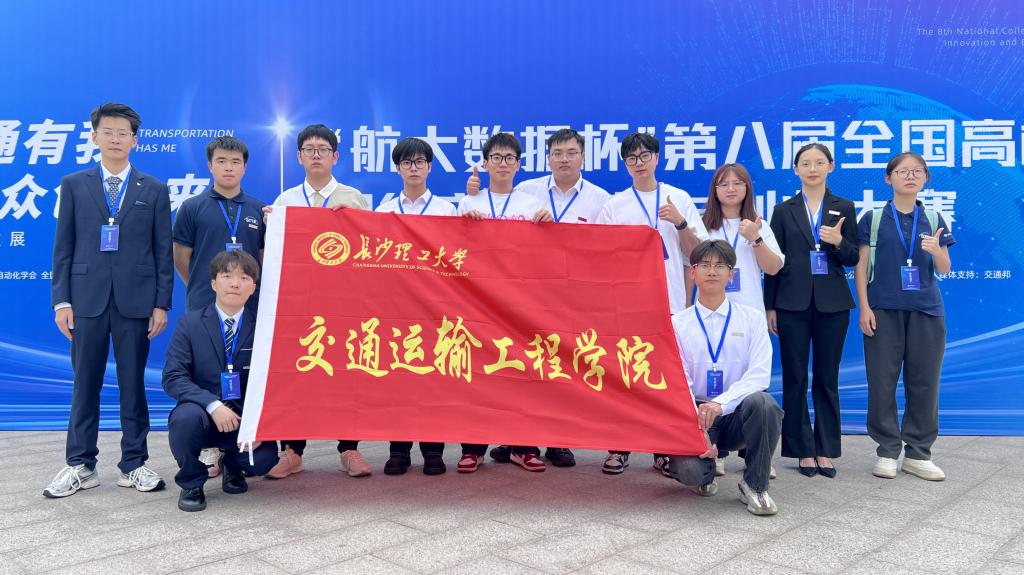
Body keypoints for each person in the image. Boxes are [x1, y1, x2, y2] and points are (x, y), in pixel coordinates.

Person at [46, 103, 172, 498]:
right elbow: (63, 248)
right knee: (85, 384)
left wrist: (161, 304)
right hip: (86, 300)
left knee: (133, 384)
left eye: (123, 133)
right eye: (108, 131)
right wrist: (61, 301)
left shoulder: (154, 189)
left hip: (136, 302)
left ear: (135, 140)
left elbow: (162, 252)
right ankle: (80, 464)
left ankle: (134, 464)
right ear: (95, 136)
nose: (115, 139)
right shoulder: (74, 184)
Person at [465, 128, 610, 468]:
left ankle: (543, 443)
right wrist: (469, 203)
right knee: (486, 372)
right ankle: (485, 445)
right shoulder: (502, 196)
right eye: (497, 158)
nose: (564, 159)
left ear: (583, 156)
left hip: (544, 301)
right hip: (484, 301)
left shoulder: (584, 199)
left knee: (544, 370)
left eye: (570, 152)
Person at [261, 124, 371, 480]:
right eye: (309, 149)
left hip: (345, 302)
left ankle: (349, 449)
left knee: (347, 375)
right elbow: (274, 254)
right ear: (299, 157)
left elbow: (369, 249)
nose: (316, 155)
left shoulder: (354, 198)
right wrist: (272, 224)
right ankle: (293, 451)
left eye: (323, 149)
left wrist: (355, 219)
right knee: (296, 375)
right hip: (299, 304)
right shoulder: (285, 201)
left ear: (335, 156)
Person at [595, 131, 708, 476]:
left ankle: (663, 449)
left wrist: (680, 222)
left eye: (645, 156)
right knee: (623, 374)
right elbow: (600, 256)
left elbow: (699, 254)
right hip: (627, 305)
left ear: (657, 158)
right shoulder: (614, 206)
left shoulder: (679, 198)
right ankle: (620, 447)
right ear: (625, 164)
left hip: (671, 301)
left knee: (665, 376)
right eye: (632, 158)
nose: (639, 163)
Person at [457, 132, 552, 473]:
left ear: (518, 165)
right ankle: (473, 448)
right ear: (485, 163)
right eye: (496, 157)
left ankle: (523, 447)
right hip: (477, 304)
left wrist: (548, 226)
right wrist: (464, 225)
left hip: (520, 305)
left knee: (522, 373)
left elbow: (546, 254)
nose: (502, 164)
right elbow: (453, 249)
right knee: (478, 376)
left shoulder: (531, 205)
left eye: (509, 158)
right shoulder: (469, 203)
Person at [855, 152, 953, 481]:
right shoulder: (874, 218)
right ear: (889, 178)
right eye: (902, 171)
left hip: (927, 310)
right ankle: (886, 450)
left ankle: (918, 453)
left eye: (916, 171)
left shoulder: (935, 218)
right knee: (882, 382)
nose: (910, 176)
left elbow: (945, 268)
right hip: (883, 310)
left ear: (925, 178)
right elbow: (860, 267)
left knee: (924, 382)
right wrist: (864, 308)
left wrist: (936, 251)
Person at [764, 143, 858, 478]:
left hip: (833, 304)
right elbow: (773, 263)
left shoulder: (844, 206)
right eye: (806, 163)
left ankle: (825, 448)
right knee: (794, 376)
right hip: (791, 303)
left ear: (831, 166)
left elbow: (853, 257)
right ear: (796, 170)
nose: (813, 169)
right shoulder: (783, 210)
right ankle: (801, 449)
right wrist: (770, 306)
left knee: (826, 377)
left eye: (819, 163)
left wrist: (838, 241)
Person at [668, 240, 781, 516]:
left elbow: (759, 375)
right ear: (692, 272)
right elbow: (678, 379)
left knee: (764, 403)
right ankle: (705, 474)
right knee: (690, 471)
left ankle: (755, 486)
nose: (712, 271)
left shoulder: (752, 319)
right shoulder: (677, 324)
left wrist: (721, 404)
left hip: (734, 412)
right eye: (704, 265)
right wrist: (696, 426)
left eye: (720, 265)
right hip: (694, 413)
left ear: (731, 274)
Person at [163, 250, 279, 511]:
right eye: (227, 276)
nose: (235, 283)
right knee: (183, 420)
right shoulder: (190, 324)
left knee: (264, 459)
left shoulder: (264, 327)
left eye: (244, 278)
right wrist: (213, 405)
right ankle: (192, 482)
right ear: (214, 284)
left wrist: (260, 426)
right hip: (203, 414)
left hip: (244, 419)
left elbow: (277, 381)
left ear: (253, 288)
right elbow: (173, 377)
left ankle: (233, 465)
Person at [376, 137, 457, 475]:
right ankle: (399, 450)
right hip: (396, 308)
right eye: (406, 162)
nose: (413, 168)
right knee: (398, 380)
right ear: (397, 168)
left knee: (433, 380)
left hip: (434, 309)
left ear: (429, 167)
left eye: (419, 162)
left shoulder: (446, 210)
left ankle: (433, 450)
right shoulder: (383, 212)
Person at [699, 163, 784, 478]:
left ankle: (756, 455)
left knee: (752, 384)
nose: (731, 189)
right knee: (713, 376)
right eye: (724, 184)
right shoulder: (703, 224)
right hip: (709, 314)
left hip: (747, 315)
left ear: (747, 188)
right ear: (715, 190)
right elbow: (689, 265)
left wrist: (756, 239)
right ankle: (716, 448)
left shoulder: (758, 224)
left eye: (737, 183)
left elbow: (774, 268)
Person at [173, 136, 266, 315]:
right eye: (221, 161)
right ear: (210, 165)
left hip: (250, 306)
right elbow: (181, 258)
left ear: (244, 168)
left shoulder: (259, 210)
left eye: (235, 162)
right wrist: (203, 284)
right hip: (203, 303)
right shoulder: (191, 207)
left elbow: (262, 258)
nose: (229, 167)